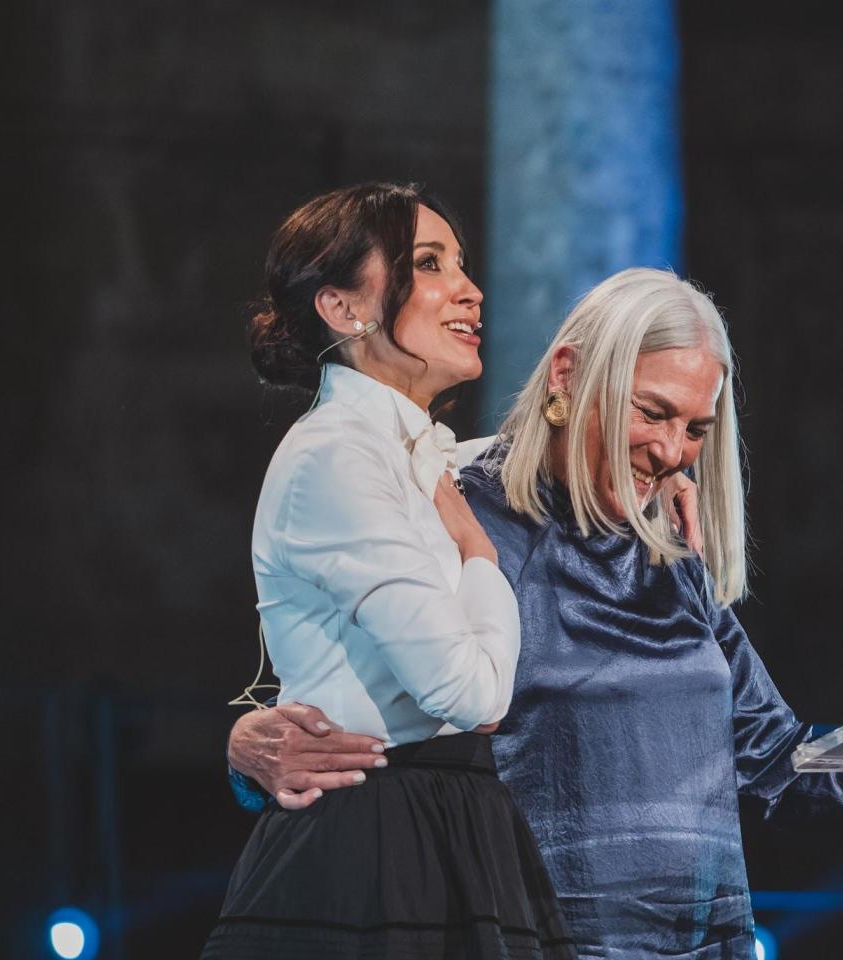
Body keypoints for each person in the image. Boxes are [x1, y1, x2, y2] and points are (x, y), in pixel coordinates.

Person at [229, 268, 843, 958]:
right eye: (651, 411)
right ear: (565, 375)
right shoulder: (457, 514)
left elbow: (772, 764)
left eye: (696, 428)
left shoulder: (669, 555)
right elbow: (353, 701)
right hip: (532, 938)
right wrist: (244, 747)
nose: (671, 451)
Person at [203, 182, 574, 960]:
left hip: (454, 826)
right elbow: (471, 695)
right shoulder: (336, 454)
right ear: (344, 308)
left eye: (462, 264)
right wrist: (479, 554)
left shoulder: (424, 456)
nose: (471, 290)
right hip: (375, 842)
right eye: (430, 264)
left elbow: (557, 465)